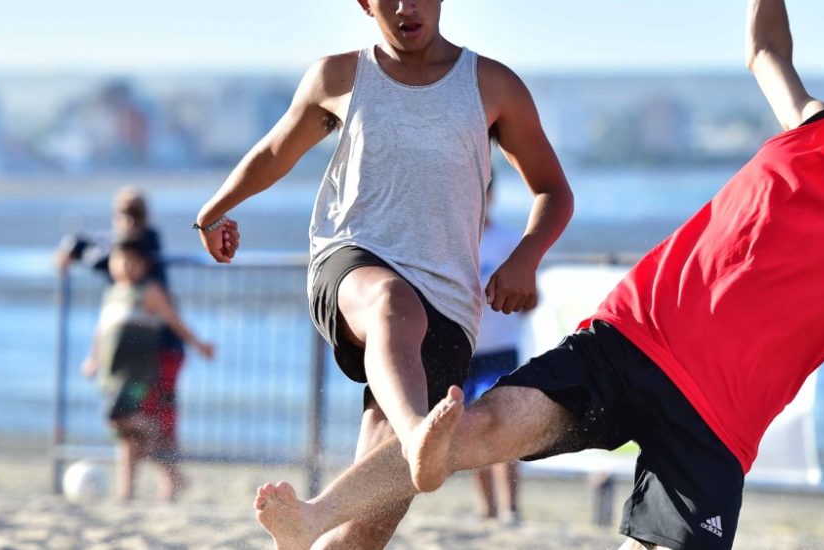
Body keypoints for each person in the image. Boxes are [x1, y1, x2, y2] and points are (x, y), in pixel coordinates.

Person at [249, 1, 824, 548]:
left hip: (716, 424)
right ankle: (313, 519)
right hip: (629, 342)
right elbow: (765, 46)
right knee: (474, 429)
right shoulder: (804, 130)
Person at [193, 0, 572, 546]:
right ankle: (420, 437)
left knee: (362, 532)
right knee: (393, 304)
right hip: (352, 265)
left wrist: (525, 258)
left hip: (448, 304)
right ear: (365, 4)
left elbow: (553, 191)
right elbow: (277, 149)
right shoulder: (340, 76)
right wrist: (213, 211)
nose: (405, 8)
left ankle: (316, 519)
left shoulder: (492, 85)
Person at [55, 185, 192, 501]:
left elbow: (103, 256)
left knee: (158, 419)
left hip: (161, 347)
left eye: (136, 215)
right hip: (130, 352)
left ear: (145, 217)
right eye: (124, 215)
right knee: (129, 421)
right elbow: (101, 252)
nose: (130, 222)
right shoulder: (121, 247)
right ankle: (129, 489)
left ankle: (170, 480)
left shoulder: (147, 242)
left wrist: (76, 249)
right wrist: (72, 245)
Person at [81, 239, 215, 502]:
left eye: (134, 261)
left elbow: (174, 321)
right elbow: (101, 330)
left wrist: (199, 345)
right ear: (112, 263)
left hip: (137, 372)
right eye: (121, 260)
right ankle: (135, 489)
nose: (127, 267)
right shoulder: (112, 293)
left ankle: (153, 431)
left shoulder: (149, 291)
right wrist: (93, 359)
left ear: (144, 266)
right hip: (112, 373)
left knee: (115, 417)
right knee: (127, 434)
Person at [463, 183, 525, 526]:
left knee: (504, 427)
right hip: (464, 351)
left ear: (491, 196)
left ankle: (510, 508)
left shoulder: (508, 240)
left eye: (483, 192)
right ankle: (487, 509)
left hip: (501, 350)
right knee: (471, 429)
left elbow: (531, 296)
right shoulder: (455, 239)